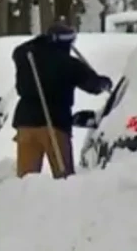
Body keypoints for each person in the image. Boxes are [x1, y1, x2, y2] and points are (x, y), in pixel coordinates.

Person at [11, 22, 113, 179]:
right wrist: (104, 83)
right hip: (54, 123)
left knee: (25, 179)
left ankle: (25, 201)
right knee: (64, 177)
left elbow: (19, 51)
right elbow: (92, 85)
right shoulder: (68, 64)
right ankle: (62, 202)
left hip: (25, 124)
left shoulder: (26, 56)